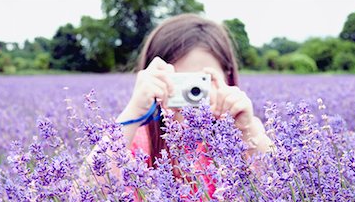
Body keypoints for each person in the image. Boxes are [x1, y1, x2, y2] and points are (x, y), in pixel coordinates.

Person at [114, 13, 273, 169]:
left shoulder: (247, 133)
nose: (189, 95)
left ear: (227, 78)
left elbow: (278, 186)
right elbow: (93, 186)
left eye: (201, 82)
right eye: (178, 82)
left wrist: (247, 130)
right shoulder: (137, 140)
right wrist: (132, 114)